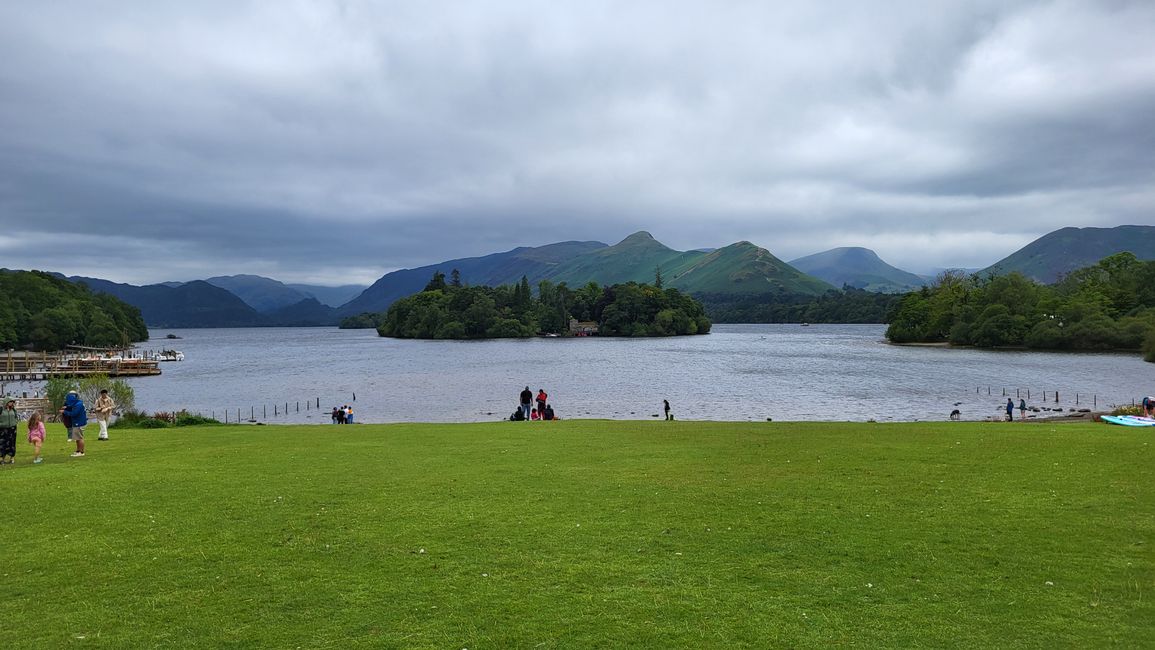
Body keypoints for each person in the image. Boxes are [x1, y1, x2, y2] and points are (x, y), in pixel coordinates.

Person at [60, 391, 88, 457]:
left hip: (79, 423)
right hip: (76, 423)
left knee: (79, 438)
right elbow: (72, 405)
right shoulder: (77, 402)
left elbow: (74, 413)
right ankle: (78, 450)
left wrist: (65, 411)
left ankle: (81, 452)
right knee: (76, 438)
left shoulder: (79, 405)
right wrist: (66, 407)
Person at [0, 399, 18, 464]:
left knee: (12, 443)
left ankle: (12, 458)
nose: (12, 403)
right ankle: (2, 459)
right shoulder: (1, 409)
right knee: (2, 443)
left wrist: (15, 423)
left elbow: (16, 417)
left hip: (12, 429)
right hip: (3, 429)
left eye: (13, 402)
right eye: (11, 402)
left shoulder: (13, 410)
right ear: (7, 402)